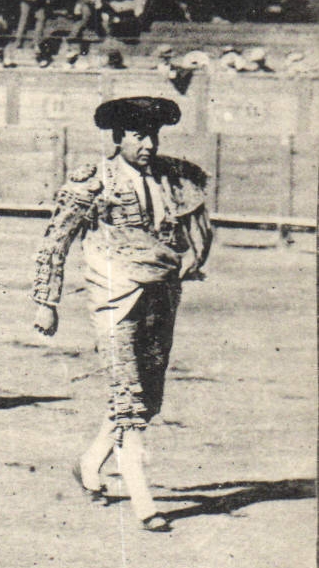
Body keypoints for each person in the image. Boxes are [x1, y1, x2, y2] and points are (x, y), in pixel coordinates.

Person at [31, 97, 211, 533]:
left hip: (162, 292)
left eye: (153, 135)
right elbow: (56, 238)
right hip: (112, 294)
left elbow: (198, 224)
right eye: (137, 136)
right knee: (126, 392)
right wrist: (46, 300)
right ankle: (143, 499)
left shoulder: (171, 178)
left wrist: (194, 257)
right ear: (117, 139)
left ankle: (90, 463)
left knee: (146, 396)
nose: (148, 144)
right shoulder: (94, 180)